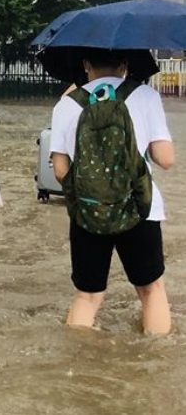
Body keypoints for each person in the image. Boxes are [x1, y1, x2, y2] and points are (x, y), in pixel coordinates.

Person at [50, 48, 175, 335]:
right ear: (125, 63)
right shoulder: (145, 96)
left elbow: (59, 171)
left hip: (87, 211)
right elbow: (166, 159)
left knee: (88, 295)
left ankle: (77, 361)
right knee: (150, 290)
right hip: (140, 207)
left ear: (85, 64)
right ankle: (156, 362)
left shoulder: (66, 104)